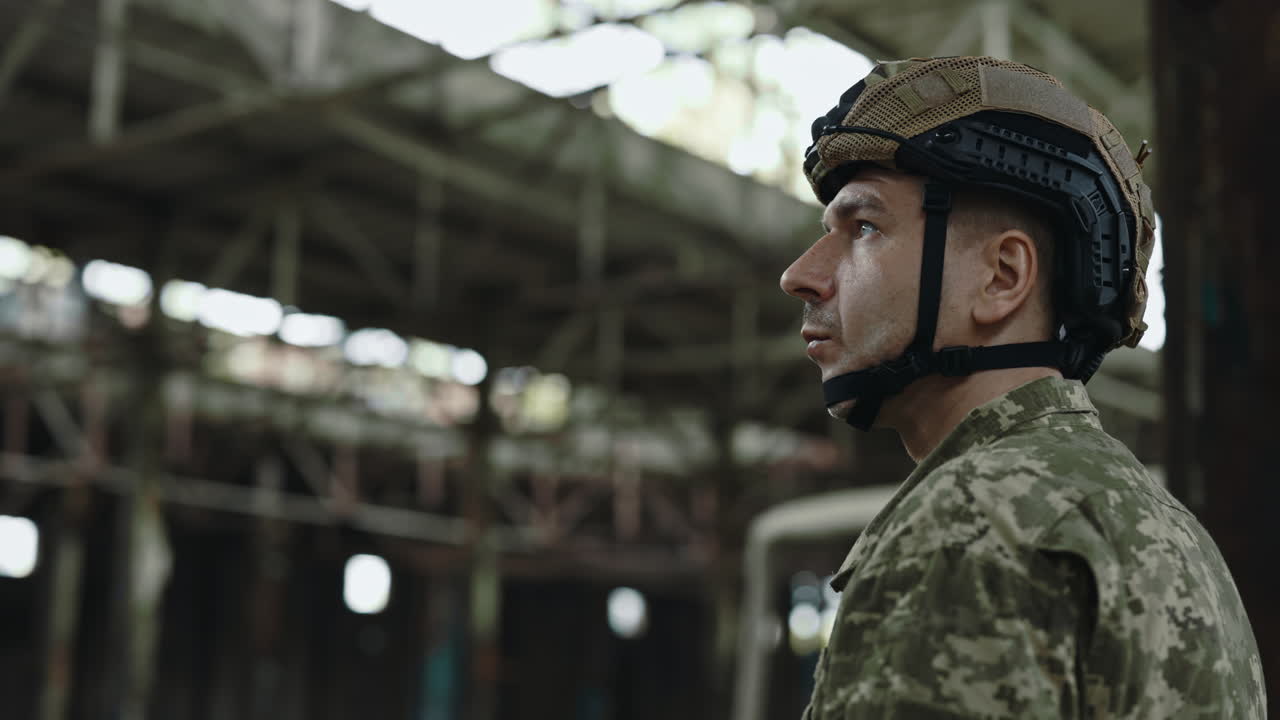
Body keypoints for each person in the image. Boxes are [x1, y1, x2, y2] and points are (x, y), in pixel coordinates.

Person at [780, 56, 1265, 718]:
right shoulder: (1168, 531)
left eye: (863, 227)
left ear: (1002, 278)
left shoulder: (974, 520)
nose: (801, 276)